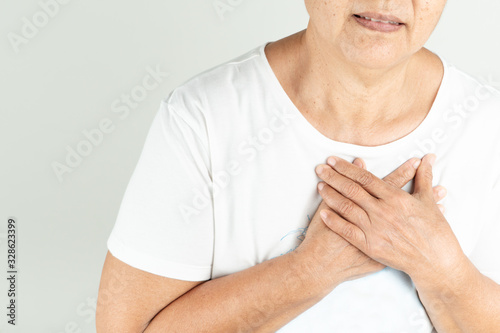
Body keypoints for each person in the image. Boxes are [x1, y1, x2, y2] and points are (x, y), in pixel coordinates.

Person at [96, 0, 500, 332]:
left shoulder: (487, 125)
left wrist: (445, 273)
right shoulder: (205, 117)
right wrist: (307, 272)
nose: (385, 2)